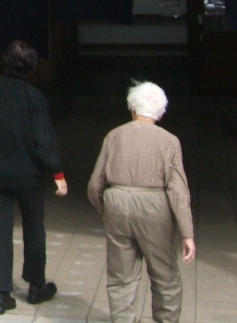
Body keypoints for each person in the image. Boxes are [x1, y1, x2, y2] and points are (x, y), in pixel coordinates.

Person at [0, 40, 67, 316]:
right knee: (34, 227)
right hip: (28, 175)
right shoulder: (34, 97)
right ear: (31, 67)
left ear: (5, 61)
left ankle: (0, 295)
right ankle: (35, 285)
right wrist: (57, 173)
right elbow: (44, 139)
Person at [87, 82, 196, 323]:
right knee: (165, 276)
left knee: (121, 277)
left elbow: (95, 185)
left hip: (117, 204)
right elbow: (178, 191)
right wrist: (187, 233)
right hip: (154, 208)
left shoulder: (114, 136)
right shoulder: (169, 141)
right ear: (161, 113)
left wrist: (107, 210)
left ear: (133, 109)